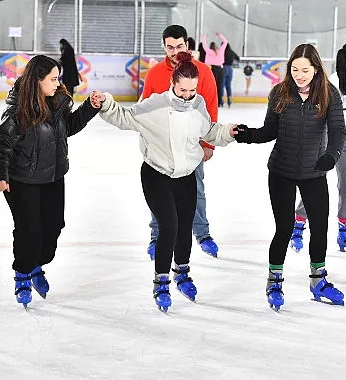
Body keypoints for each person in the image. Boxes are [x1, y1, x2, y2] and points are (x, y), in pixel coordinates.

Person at [98, 52, 239, 312]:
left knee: (185, 227)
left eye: (192, 90)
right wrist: (106, 103)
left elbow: (208, 131)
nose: (187, 94)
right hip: (156, 174)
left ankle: (182, 273)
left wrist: (227, 132)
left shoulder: (198, 105)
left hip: (185, 176)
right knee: (169, 226)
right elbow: (126, 117)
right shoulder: (156, 105)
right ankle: (160, 281)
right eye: (182, 89)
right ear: (173, 83)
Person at [234, 44, 346, 310]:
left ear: (316, 69)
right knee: (284, 229)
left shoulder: (329, 93)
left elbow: (339, 130)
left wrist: (331, 156)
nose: (299, 74)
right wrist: (246, 135)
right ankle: (274, 281)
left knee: (319, 227)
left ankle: (318, 280)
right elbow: (269, 131)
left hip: (314, 171)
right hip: (282, 170)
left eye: (305, 70)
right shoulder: (280, 92)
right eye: (294, 69)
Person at [0, 55, 102, 309]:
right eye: (52, 79)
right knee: (29, 231)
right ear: (37, 81)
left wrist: (90, 108)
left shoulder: (58, 102)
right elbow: (1, 145)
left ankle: (36, 264)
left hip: (53, 177)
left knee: (53, 228)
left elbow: (68, 127)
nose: (57, 83)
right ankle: (23, 274)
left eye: (57, 78)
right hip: (22, 180)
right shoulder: (18, 110)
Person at [142, 24, 220, 259]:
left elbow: (211, 108)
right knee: (160, 192)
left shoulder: (203, 71)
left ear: (187, 45)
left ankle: (202, 233)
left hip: (191, 146)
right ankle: (157, 236)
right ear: (164, 46)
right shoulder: (155, 73)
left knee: (196, 189)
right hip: (161, 148)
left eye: (179, 46)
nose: (174, 51)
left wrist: (208, 143)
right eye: (169, 47)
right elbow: (145, 110)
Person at [291, 42, 346, 254]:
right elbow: (332, 121)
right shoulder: (333, 84)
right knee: (315, 184)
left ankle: (344, 234)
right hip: (327, 140)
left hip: (344, 140)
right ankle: (298, 226)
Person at [201, 32, 227, 107]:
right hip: (220, 69)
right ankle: (219, 101)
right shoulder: (221, 51)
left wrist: (204, 36)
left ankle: (212, 101)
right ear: (216, 46)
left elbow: (204, 45)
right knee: (220, 85)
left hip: (212, 69)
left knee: (212, 86)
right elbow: (225, 42)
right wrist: (220, 35)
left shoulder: (209, 51)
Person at [222, 43, 240, 107]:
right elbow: (238, 58)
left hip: (224, 68)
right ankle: (229, 100)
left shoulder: (222, 51)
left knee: (222, 85)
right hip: (230, 69)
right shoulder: (232, 52)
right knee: (228, 85)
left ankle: (221, 100)